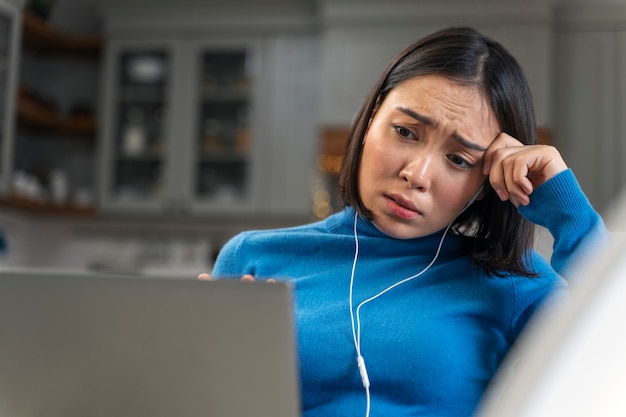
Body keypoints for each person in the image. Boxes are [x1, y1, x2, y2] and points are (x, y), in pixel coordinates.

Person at [199, 26, 608, 417]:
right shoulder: (251, 258)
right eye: (405, 132)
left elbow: (611, 373)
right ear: (372, 118)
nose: (418, 173)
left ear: (483, 185)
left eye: (458, 159)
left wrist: (570, 216)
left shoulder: (511, 282)